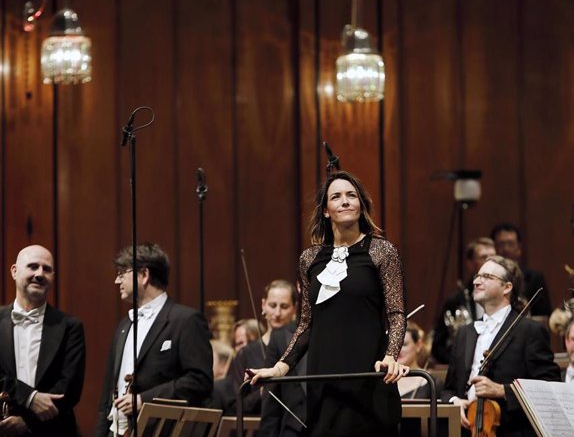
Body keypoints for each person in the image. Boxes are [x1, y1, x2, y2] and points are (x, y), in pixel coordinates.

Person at [249, 170, 408, 437]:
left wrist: (391, 356)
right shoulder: (309, 259)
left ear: (361, 205)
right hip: (324, 378)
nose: (345, 201)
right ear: (325, 211)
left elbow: (396, 313)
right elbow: (306, 324)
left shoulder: (382, 251)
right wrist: (279, 368)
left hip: (369, 376)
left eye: (351, 196)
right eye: (336, 197)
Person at [95, 243, 213, 436]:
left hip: (161, 430)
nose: (117, 281)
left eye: (122, 273)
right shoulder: (124, 325)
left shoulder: (186, 320)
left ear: (143, 275)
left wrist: (144, 400)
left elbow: (199, 381)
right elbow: (108, 393)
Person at [441, 255, 560, 435]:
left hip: (510, 430)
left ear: (507, 287)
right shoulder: (465, 333)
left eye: (487, 277)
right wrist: (454, 402)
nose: (477, 281)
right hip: (468, 430)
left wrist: (502, 390)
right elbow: (448, 389)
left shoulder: (529, 331)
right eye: (477, 276)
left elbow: (549, 385)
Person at [0, 245, 85, 437]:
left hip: (52, 431)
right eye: (32, 266)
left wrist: (27, 421)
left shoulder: (70, 326)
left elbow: (69, 389)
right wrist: (29, 397)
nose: (40, 274)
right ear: (14, 271)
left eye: (46, 269)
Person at [226, 279, 298, 416]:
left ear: (295, 307)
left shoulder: (299, 349)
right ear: (263, 305)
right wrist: (262, 393)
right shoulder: (246, 353)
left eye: (284, 307)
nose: (277, 313)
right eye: (272, 305)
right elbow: (236, 405)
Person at [432, 237, 495, 364]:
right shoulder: (456, 300)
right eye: (484, 257)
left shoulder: (507, 296)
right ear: (471, 263)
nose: (490, 262)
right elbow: (438, 347)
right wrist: (460, 364)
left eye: (493, 257)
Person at [490, 223, 551, 316]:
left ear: (519, 248)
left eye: (510, 244)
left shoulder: (534, 279)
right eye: (501, 244)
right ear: (494, 247)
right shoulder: (487, 278)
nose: (506, 249)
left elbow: (543, 316)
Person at [397, 322, 433, 399]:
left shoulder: (431, 382)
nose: (398, 350)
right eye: (395, 346)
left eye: (404, 344)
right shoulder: (383, 380)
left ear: (418, 345)